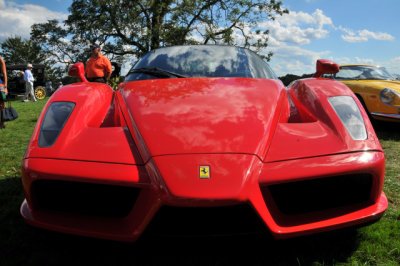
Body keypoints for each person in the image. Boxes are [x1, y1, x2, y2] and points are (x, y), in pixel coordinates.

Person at [0, 56, 8, 129]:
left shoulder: (1, 59)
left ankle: (2, 123)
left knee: (2, 105)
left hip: (1, 86)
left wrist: (5, 87)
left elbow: (5, 74)